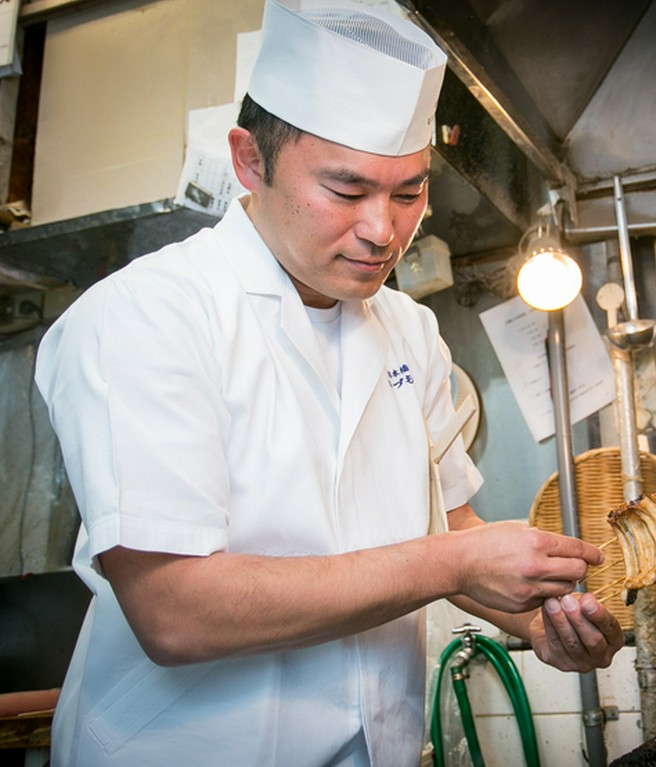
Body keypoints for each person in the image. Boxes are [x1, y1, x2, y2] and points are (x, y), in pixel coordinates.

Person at [33, 2, 624, 765]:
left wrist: (537, 619)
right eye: (346, 191)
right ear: (250, 160)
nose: (384, 230)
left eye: (409, 192)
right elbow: (175, 611)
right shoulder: (146, 316)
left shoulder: (410, 331)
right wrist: (452, 563)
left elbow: (453, 530)